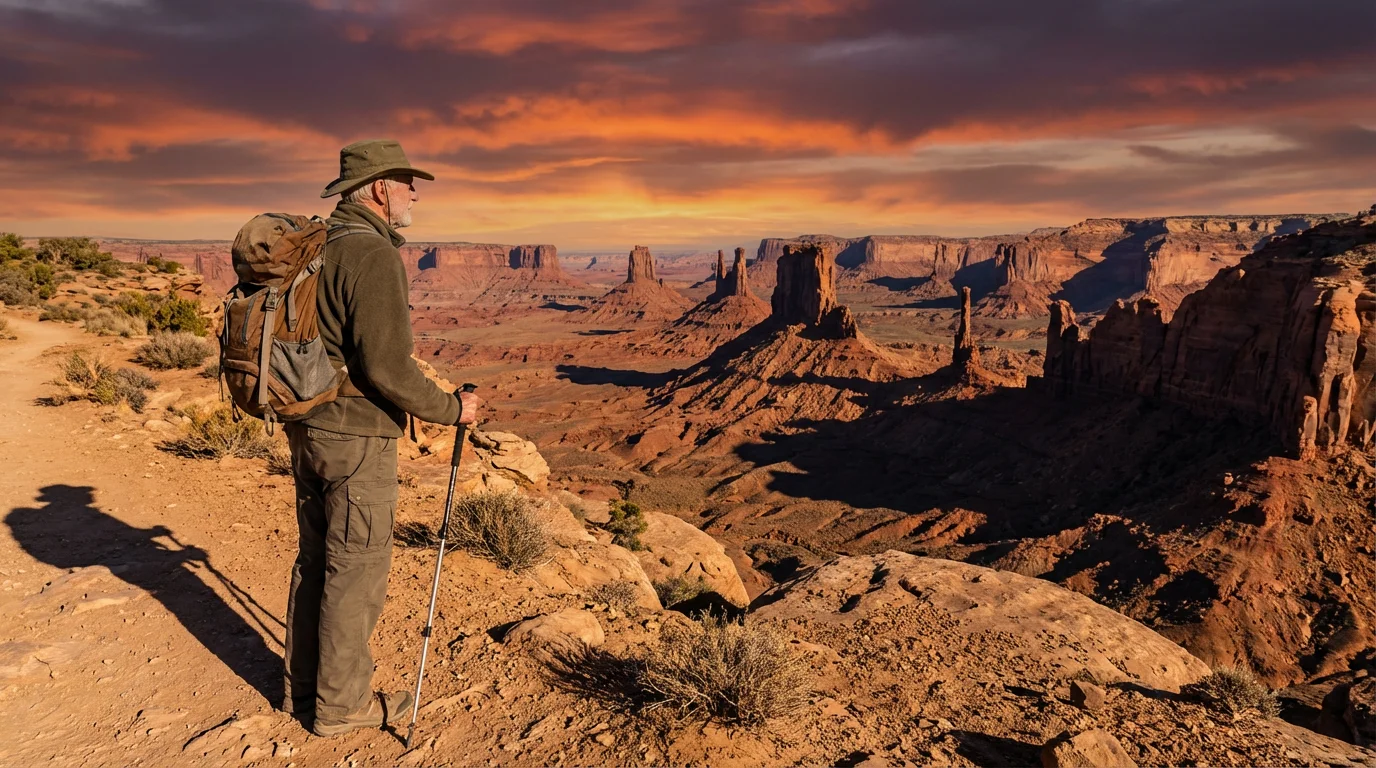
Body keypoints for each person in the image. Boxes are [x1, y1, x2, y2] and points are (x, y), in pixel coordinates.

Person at [284, 139, 482, 737]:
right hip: (356, 438)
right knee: (357, 571)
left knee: (317, 561)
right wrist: (453, 409)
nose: (414, 193)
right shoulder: (371, 255)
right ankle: (341, 708)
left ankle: (303, 691)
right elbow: (388, 370)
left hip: (309, 426)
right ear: (378, 190)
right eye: (406, 183)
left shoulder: (323, 244)